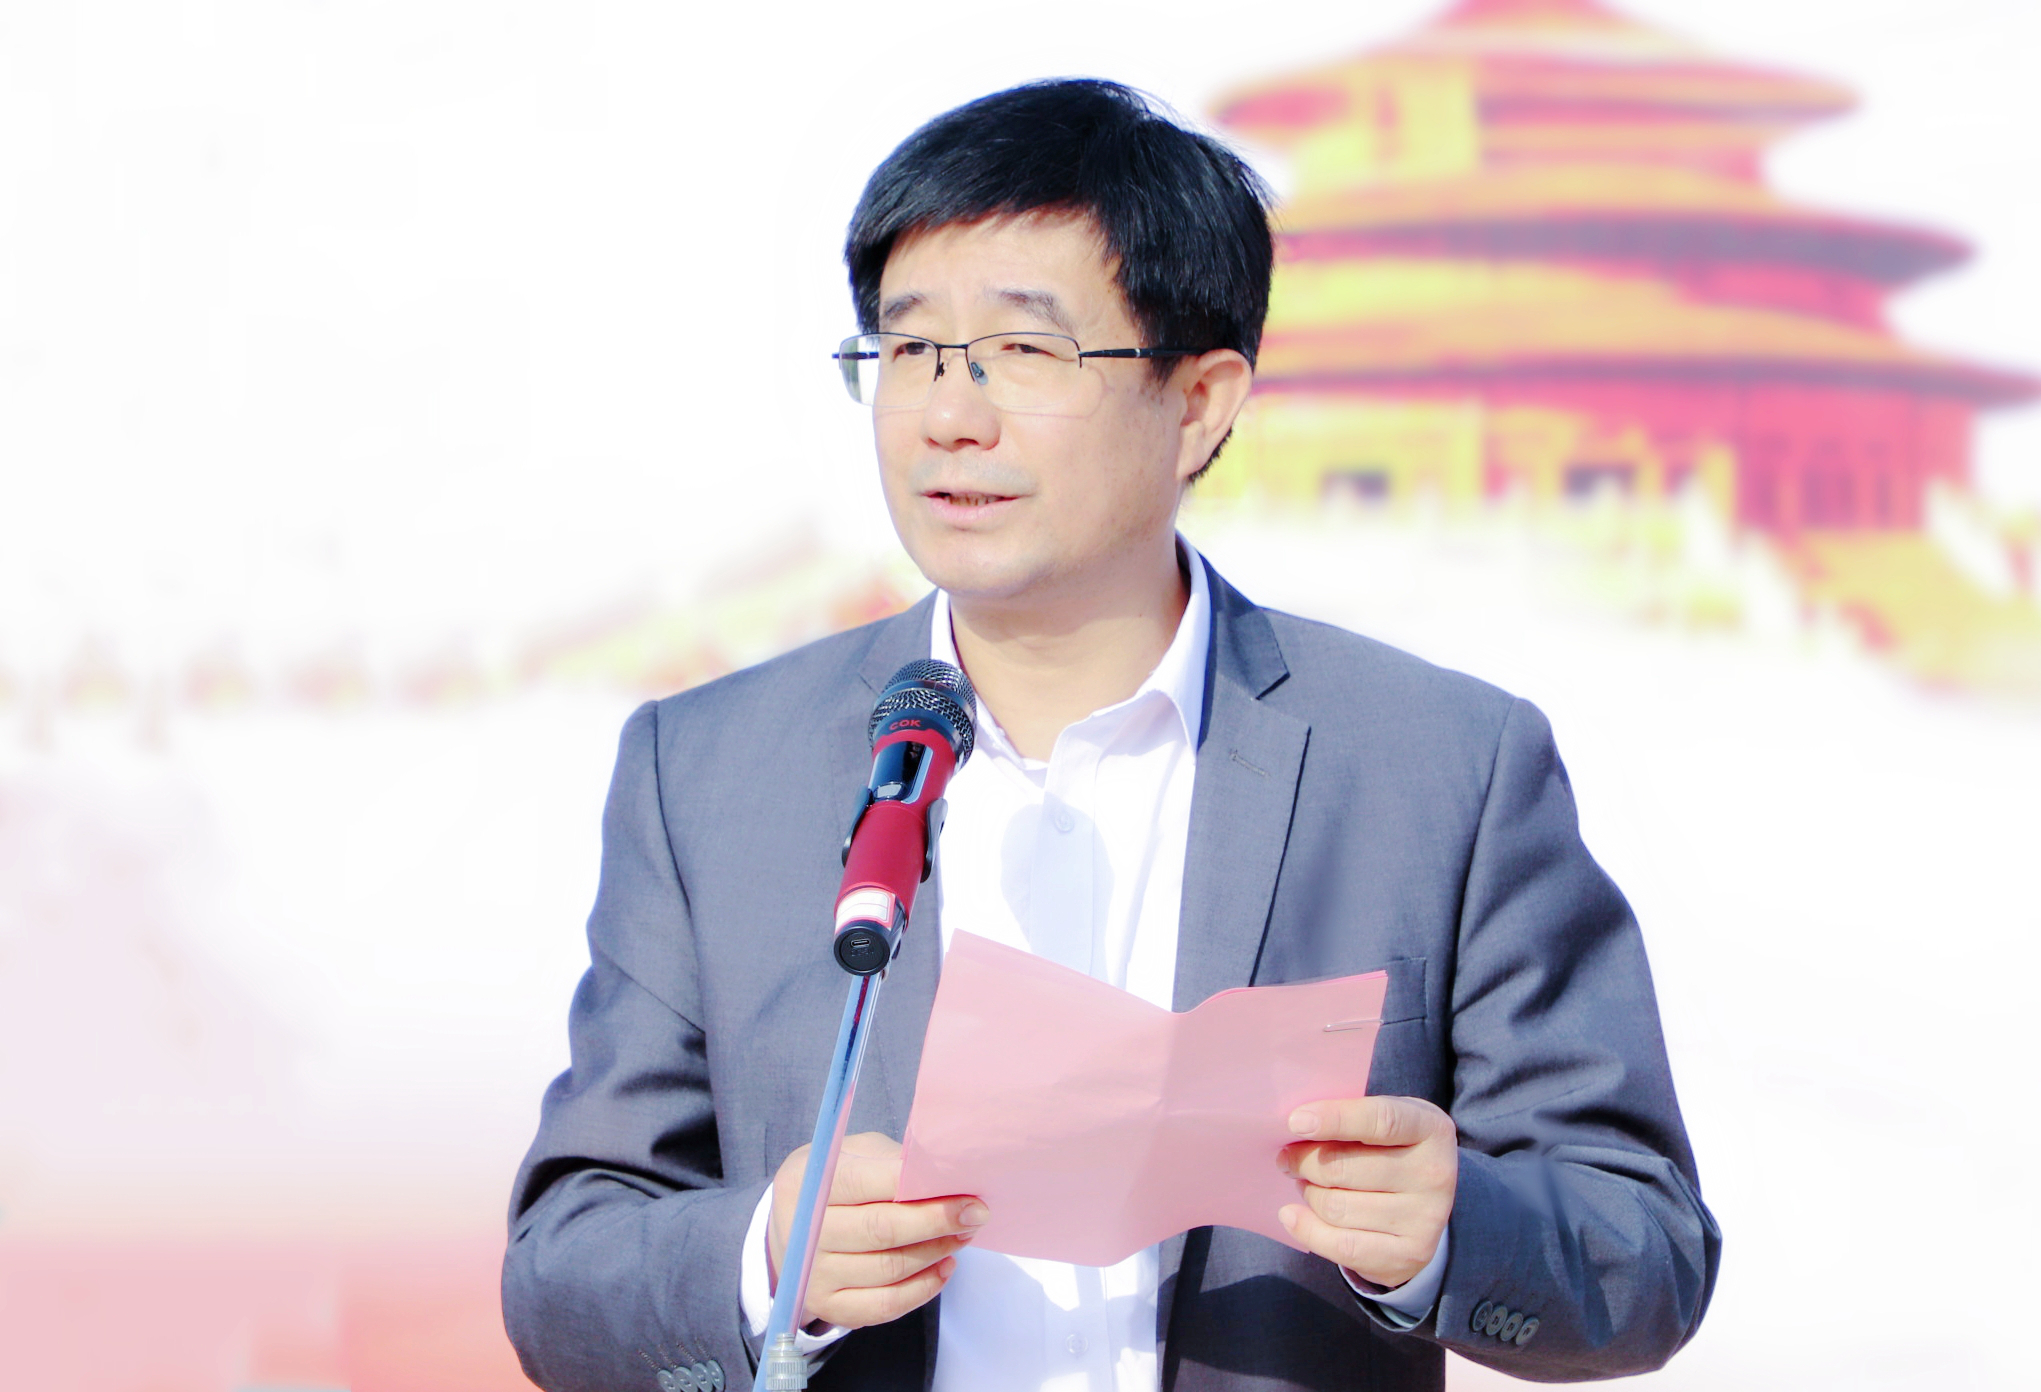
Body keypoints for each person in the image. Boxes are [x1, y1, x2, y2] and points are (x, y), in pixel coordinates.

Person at [503, 79, 1719, 1392]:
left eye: (1024, 352)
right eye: (909, 350)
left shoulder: (1438, 769)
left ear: (1198, 402)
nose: (949, 416)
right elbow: (562, 1272)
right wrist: (759, 1258)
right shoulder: (710, 774)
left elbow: (1645, 1254)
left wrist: (1451, 1232)